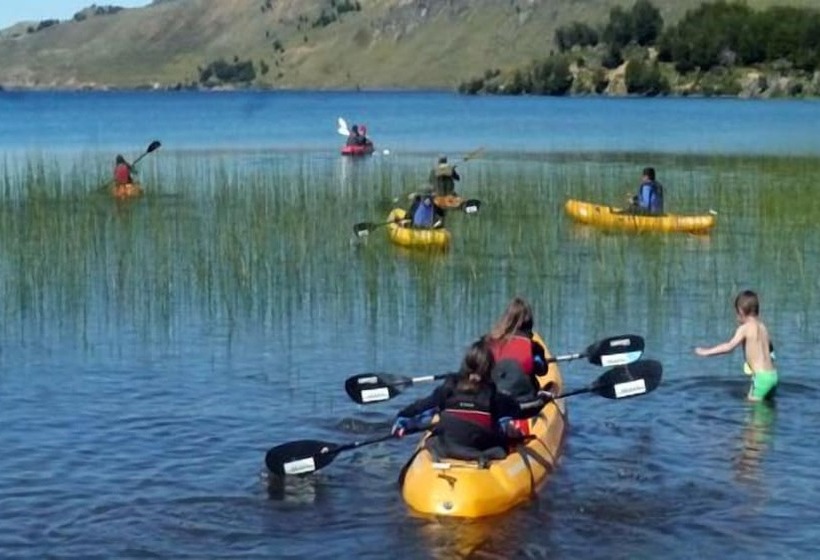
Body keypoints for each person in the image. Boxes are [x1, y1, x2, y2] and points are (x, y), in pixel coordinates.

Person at [391, 339, 554, 462]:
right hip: (480, 452)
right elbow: (522, 410)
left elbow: (419, 407)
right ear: (490, 370)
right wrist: (542, 400)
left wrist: (402, 421)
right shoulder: (495, 397)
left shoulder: (447, 389)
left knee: (434, 423)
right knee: (503, 428)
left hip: (447, 449)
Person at [695, 290, 778, 402]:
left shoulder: (744, 328)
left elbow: (729, 347)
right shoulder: (763, 327)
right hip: (773, 375)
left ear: (740, 311)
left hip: (761, 378)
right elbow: (770, 348)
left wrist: (706, 352)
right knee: (767, 408)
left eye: (736, 313)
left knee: (752, 411)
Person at [484, 297, 548, 399]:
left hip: (492, 398)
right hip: (521, 401)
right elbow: (542, 371)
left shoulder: (488, 341)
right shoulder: (533, 347)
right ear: (529, 323)